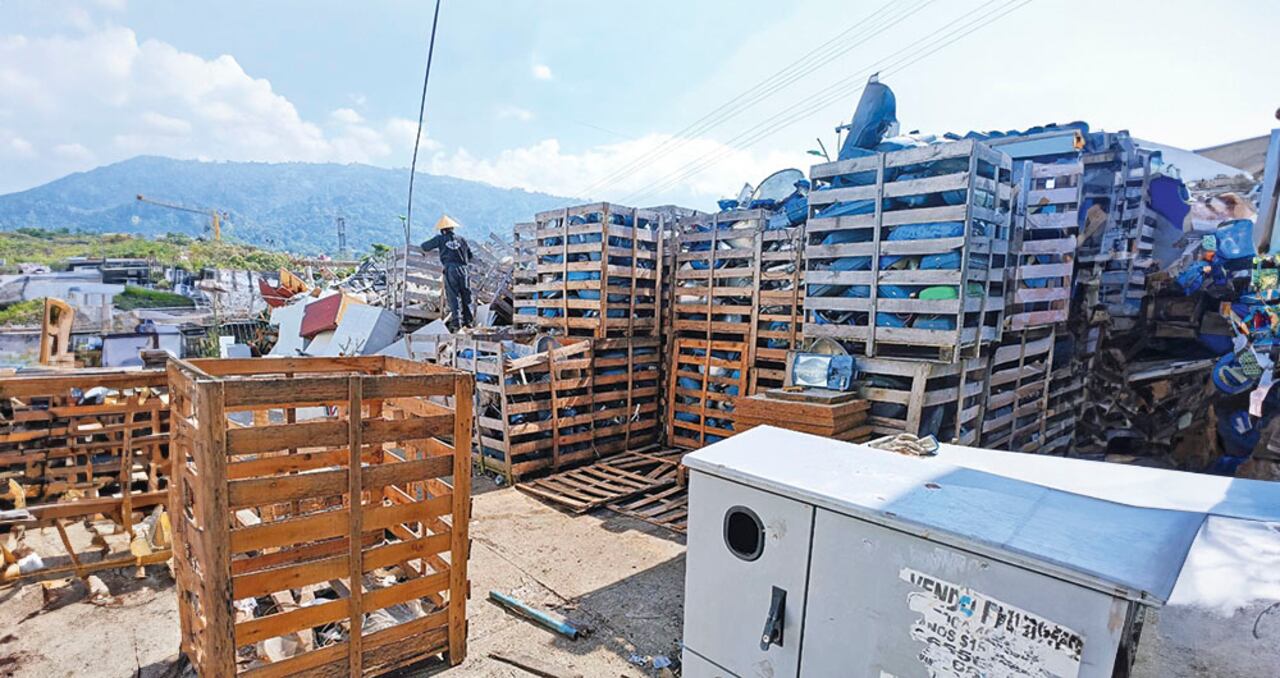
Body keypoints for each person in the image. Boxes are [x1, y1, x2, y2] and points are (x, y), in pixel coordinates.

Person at [420, 214, 474, 331]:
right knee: (466, 295)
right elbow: (470, 255)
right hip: (464, 270)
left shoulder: (440, 239)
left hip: (450, 269)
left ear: (442, 230)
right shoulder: (462, 239)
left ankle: (457, 323)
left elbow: (425, 246)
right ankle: (468, 322)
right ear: (452, 228)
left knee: (453, 296)